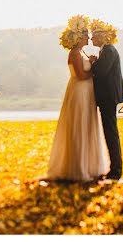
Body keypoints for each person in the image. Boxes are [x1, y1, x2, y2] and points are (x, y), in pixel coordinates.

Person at [46, 15, 109, 182]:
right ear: (78, 38)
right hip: (79, 93)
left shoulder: (81, 52)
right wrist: (94, 67)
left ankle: (89, 165)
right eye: (86, 36)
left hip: (86, 93)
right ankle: (78, 167)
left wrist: (91, 60)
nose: (88, 38)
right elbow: (81, 75)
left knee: (87, 125)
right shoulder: (74, 53)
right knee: (79, 124)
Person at [89, 18, 123, 180]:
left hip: (108, 97)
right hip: (107, 97)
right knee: (109, 131)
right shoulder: (106, 51)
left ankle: (116, 170)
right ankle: (114, 168)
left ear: (102, 37)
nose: (91, 40)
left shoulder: (109, 51)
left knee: (111, 132)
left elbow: (101, 72)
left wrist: (92, 62)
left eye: (94, 37)